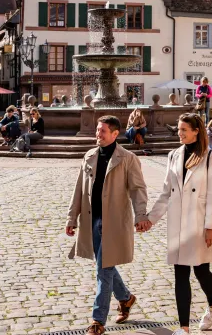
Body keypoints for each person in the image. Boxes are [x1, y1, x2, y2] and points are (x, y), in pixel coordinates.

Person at [66, 116, 150, 334]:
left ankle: (98, 320)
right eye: (97, 130)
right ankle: (126, 298)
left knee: (103, 270)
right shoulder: (89, 156)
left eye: (102, 131)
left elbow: (138, 189)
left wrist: (141, 215)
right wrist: (71, 218)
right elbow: (78, 190)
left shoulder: (128, 159)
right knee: (106, 265)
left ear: (115, 134)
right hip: (91, 221)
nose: (98, 134)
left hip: (113, 223)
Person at [145, 113, 212, 335]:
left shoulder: (211, 157)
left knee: (202, 272)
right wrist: (150, 219)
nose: (179, 133)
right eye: (178, 129)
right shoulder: (173, 155)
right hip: (177, 223)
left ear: (196, 131)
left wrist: (211, 227)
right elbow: (166, 193)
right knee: (180, 274)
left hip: (198, 224)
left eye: (184, 130)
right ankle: (184, 328)